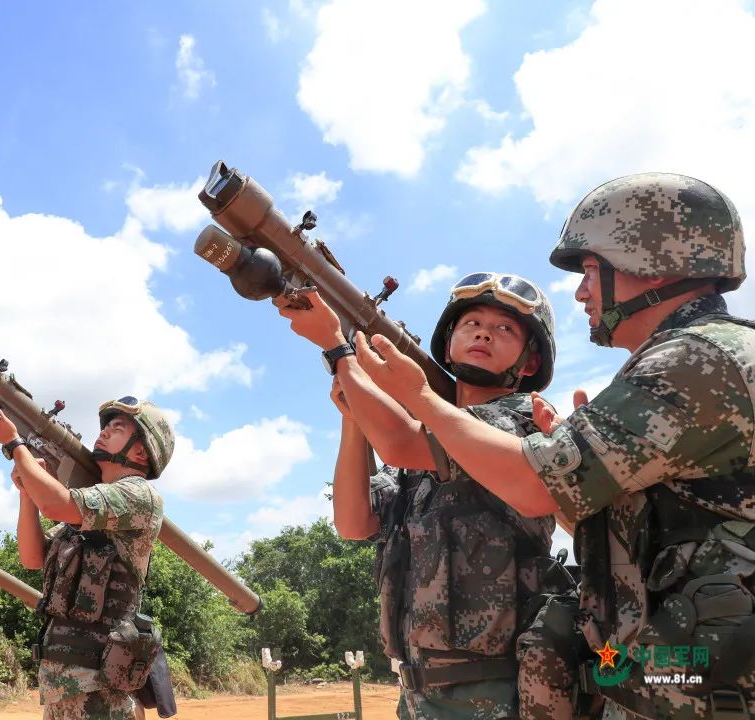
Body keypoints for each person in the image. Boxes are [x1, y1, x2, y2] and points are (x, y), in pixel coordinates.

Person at [354, 173, 754, 719]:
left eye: (592, 270)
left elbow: (530, 484)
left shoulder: (697, 361)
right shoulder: (693, 359)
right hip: (670, 680)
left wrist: (412, 393)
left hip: (705, 688)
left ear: (653, 260)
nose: (583, 291)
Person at [282, 273, 569, 719]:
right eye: (470, 322)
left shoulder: (523, 423)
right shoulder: (425, 445)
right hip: (418, 692)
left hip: (500, 689)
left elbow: (399, 441)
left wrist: (338, 348)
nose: (483, 332)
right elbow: (354, 522)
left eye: (505, 329)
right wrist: (354, 415)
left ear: (529, 363)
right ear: (448, 339)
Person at [0, 396, 174, 720]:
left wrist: (14, 443)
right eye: (107, 426)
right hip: (61, 684)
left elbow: (57, 504)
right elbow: (31, 556)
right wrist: (27, 492)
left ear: (141, 451)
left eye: (118, 427)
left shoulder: (140, 496)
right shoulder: (84, 517)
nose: (105, 431)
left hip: (98, 685)